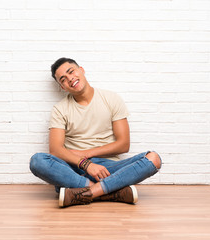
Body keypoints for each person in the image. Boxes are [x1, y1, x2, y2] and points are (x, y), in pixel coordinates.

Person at [30, 57, 162, 207]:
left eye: (71, 72)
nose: (70, 79)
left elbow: (123, 144)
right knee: (37, 161)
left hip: (108, 168)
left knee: (154, 159)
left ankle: (82, 192)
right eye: (63, 79)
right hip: (74, 168)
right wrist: (86, 164)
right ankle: (111, 190)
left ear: (81, 70)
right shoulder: (59, 109)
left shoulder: (111, 99)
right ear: (63, 87)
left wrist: (87, 154)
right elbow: (55, 150)